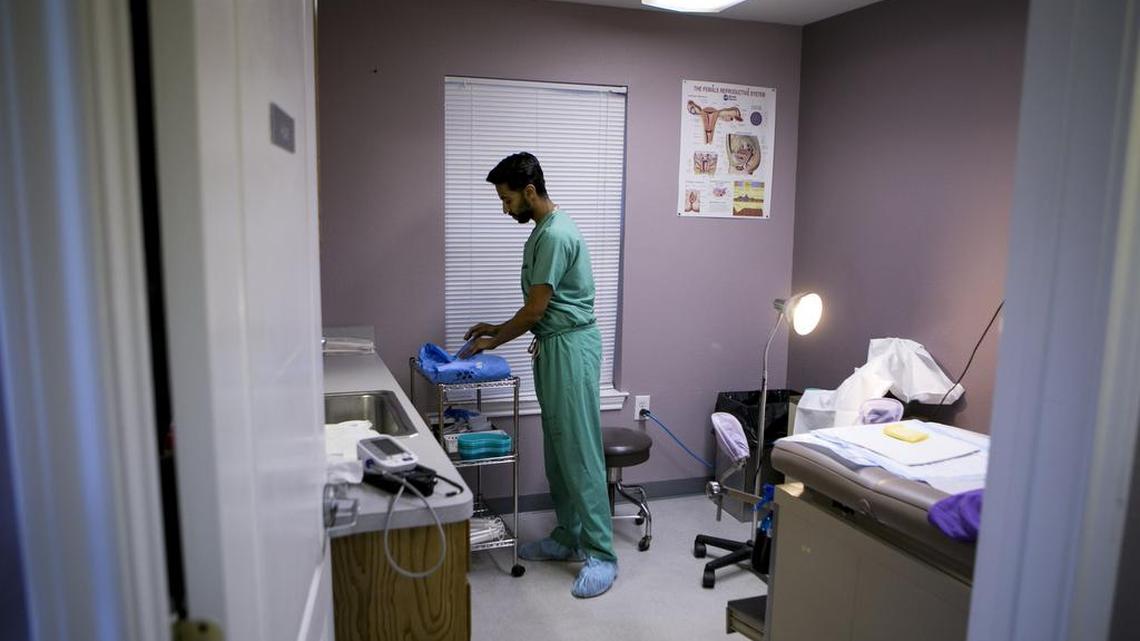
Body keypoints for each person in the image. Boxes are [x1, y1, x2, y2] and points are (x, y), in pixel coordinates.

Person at [458, 152, 617, 598]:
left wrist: (494, 341)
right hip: (553, 347)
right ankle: (568, 536)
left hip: (570, 349)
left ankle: (602, 553)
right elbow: (536, 309)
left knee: (581, 453)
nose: (504, 208)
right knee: (557, 451)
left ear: (530, 192)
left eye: (507, 199)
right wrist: (494, 326)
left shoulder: (555, 234)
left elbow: (535, 310)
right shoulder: (542, 233)